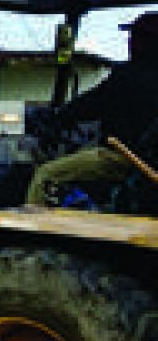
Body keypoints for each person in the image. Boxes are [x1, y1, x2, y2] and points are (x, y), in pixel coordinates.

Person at [27, 11, 158, 205]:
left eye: (134, 37)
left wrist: (58, 115)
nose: (129, 43)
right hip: (146, 160)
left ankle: (30, 235)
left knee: (46, 176)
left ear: (147, 42)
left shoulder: (129, 76)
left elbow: (89, 105)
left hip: (123, 158)